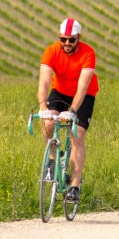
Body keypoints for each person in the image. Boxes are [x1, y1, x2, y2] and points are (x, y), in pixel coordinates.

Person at [37, 18, 99, 204]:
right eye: (63, 39)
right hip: (60, 91)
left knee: (77, 134)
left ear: (78, 38)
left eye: (71, 40)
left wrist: (72, 111)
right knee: (49, 122)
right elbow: (44, 82)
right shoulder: (51, 51)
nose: (67, 44)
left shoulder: (88, 53)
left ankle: (74, 185)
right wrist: (43, 108)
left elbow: (82, 87)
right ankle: (53, 159)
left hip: (84, 95)